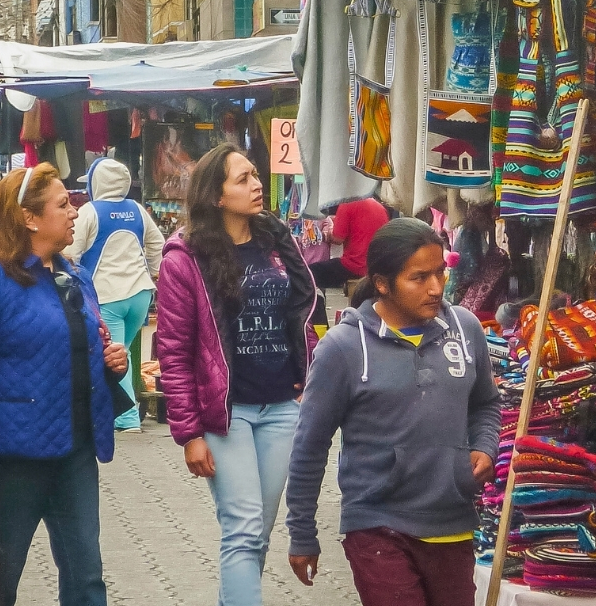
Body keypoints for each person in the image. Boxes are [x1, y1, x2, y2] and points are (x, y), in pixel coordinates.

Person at [0, 163, 130, 606]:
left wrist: (111, 364)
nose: (75, 212)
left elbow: (78, 348)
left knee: (87, 578)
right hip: (12, 460)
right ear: (29, 218)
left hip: (76, 451)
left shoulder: (74, 275)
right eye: (63, 205)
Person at [285, 219, 501, 606]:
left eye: (440, 272)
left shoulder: (465, 330)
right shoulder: (343, 348)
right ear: (382, 283)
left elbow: (485, 402)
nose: (437, 288)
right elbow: (309, 446)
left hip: (453, 523)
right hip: (377, 526)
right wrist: (302, 533)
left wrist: (485, 446)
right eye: (419, 278)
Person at [157, 143, 318, 606]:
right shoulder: (184, 257)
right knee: (244, 528)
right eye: (242, 178)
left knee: (256, 533)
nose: (256, 185)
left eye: (254, 174)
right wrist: (188, 432)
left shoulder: (275, 240)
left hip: (282, 406)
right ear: (216, 195)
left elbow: (300, 314)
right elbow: (172, 350)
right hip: (226, 414)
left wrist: (308, 379)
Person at [64, 159, 165, 433]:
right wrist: (155, 272)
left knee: (114, 355)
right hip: (141, 295)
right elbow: (158, 244)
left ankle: (127, 418)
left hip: (107, 294)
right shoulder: (137, 210)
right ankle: (116, 411)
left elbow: (70, 252)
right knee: (123, 355)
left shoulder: (89, 211)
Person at [307, 197, 390, 289]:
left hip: (356, 265)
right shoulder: (377, 205)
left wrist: (325, 232)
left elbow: (337, 239)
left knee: (309, 272)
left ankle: (314, 301)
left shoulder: (347, 204)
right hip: (376, 264)